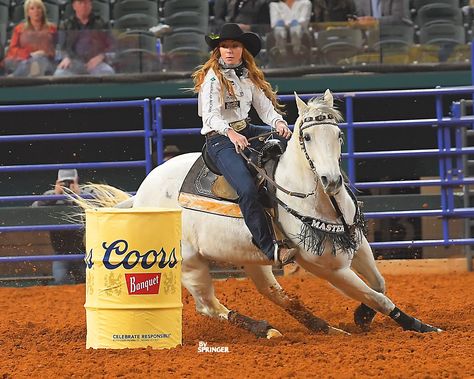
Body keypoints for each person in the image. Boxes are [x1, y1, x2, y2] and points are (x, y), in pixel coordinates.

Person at [192, 23, 296, 265]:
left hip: (246, 130)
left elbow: (265, 108)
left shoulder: (247, 76)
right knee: (247, 190)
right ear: (218, 50)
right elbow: (209, 117)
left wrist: (279, 123)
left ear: (242, 50)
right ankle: (269, 248)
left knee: (289, 143)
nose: (229, 50)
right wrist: (230, 133)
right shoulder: (212, 79)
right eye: (225, 46)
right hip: (219, 140)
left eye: (234, 46)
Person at [32, 169, 88, 284]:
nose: (67, 185)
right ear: (57, 182)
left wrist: (78, 196)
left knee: (86, 281)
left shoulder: (85, 192)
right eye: (64, 182)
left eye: (70, 181)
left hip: (82, 251)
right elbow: (33, 210)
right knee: (61, 280)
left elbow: (97, 208)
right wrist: (55, 196)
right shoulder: (50, 195)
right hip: (61, 252)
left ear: (76, 181)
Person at [54, 0, 114, 76]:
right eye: (80, 3)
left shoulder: (102, 23)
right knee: (59, 75)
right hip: (73, 62)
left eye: (86, 2)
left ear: (91, 5)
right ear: (74, 6)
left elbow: (112, 47)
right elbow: (60, 47)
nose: (83, 6)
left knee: (108, 73)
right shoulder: (66, 25)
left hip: (95, 62)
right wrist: (65, 57)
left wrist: (100, 57)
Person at [3, 0, 57, 77]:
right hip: (23, 60)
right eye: (32, 8)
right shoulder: (19, 29)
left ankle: (13, 78)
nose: (36, 11)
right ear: (27, 12)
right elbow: (13, 49)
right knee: (27, 63)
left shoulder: (52, 28)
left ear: (43, 10)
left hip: (46, 61)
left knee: (38, 59)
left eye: (39, 8)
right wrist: (30, 55)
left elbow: (56, 48)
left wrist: (44, 53)